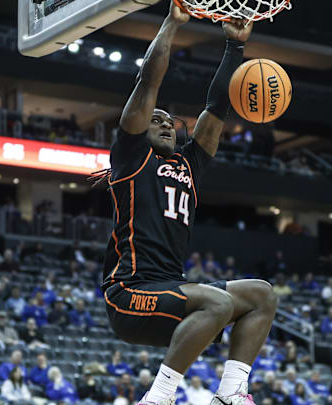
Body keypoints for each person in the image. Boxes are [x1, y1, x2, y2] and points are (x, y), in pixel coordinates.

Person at [96, 5, 276, 405]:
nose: (165, 123)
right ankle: (158, 398)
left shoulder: (188, 165)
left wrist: (234, 46)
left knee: (262, 295)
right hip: (129, 294)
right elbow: (149, 81)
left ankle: (231, 393)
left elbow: (216, 107)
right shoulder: (131, 157)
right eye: (156, 119)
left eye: (170, 122)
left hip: (171, 289)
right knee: (217, 302)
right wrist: (172, 23)